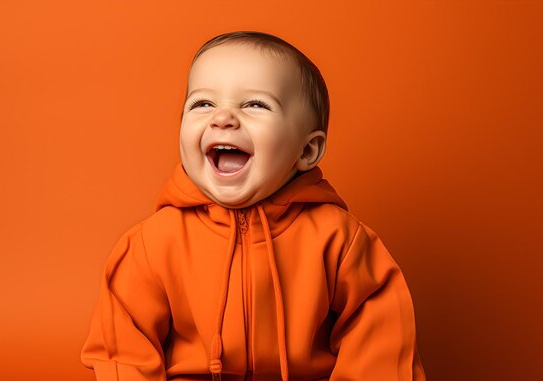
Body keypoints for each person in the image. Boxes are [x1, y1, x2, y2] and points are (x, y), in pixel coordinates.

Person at [80, 31, 426, 381]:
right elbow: (122, 350)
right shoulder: (152, 243)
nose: (223, 118)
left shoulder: (340, 240)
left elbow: (381, 337)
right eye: (203, 104)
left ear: (306, 151)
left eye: (254, 105)